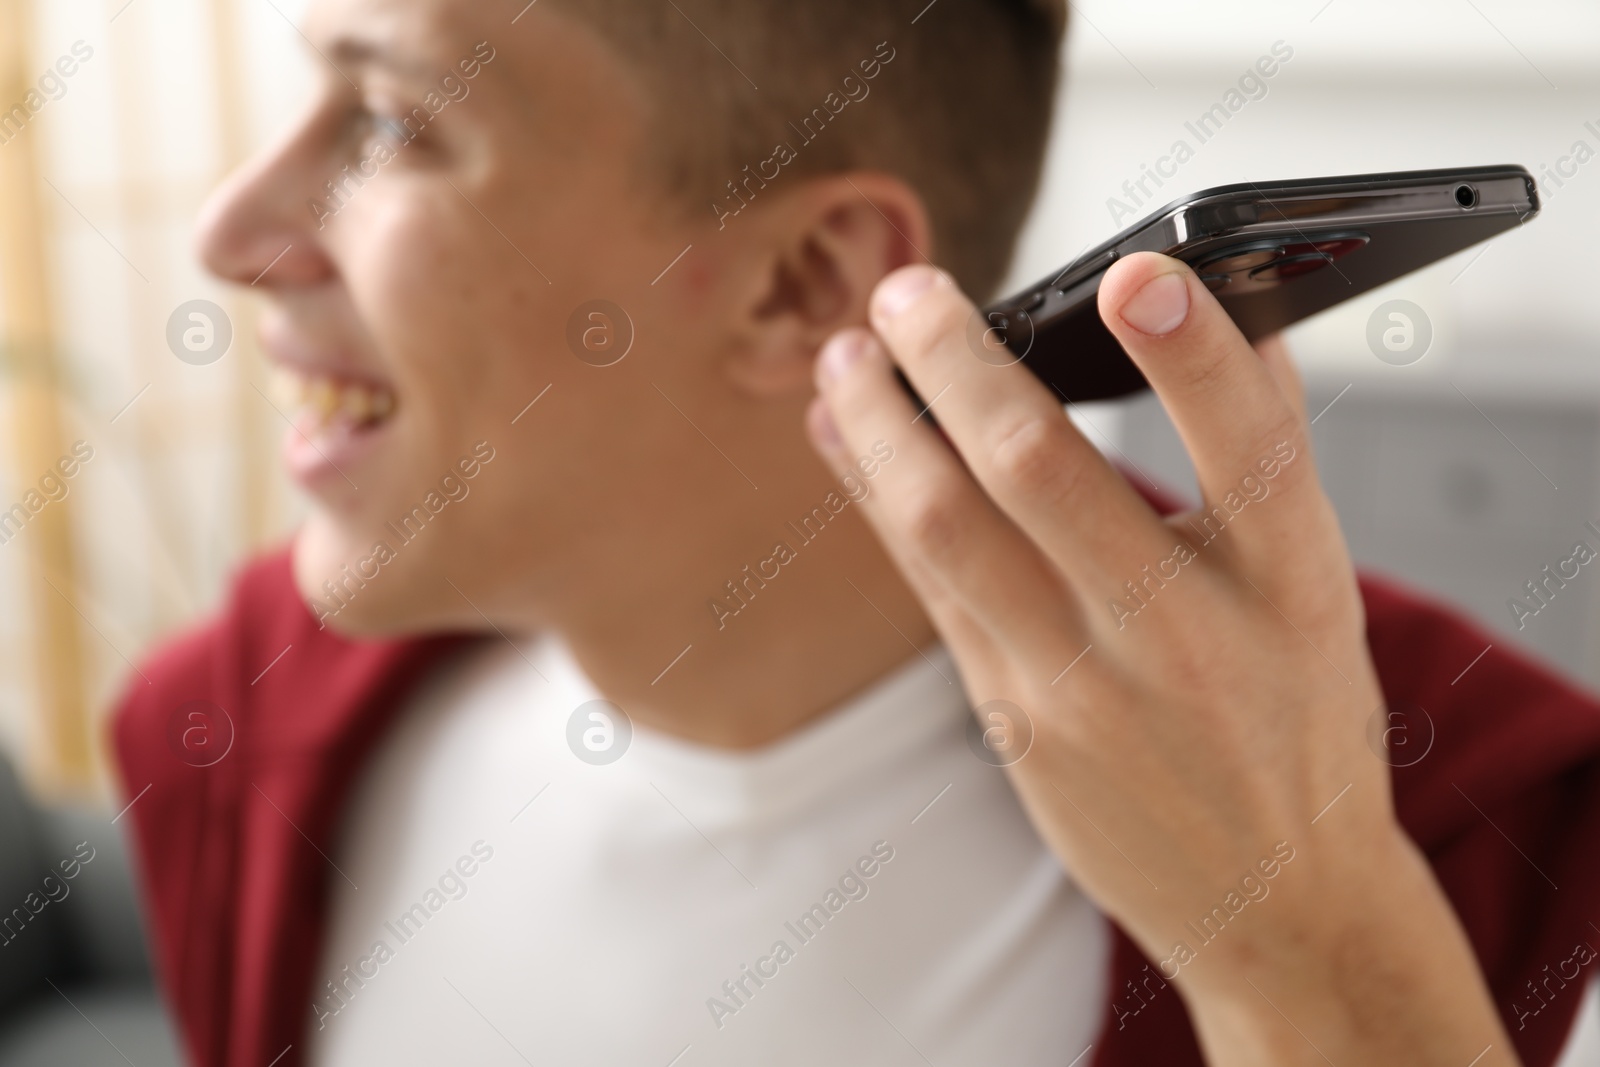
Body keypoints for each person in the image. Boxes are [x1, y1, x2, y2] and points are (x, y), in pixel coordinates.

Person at [111, 1, 1600, 1065]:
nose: (228, 233)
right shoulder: (225, 737)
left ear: (804, 278)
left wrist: (1314, 953)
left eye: (386, 121)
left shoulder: (1516, 848)